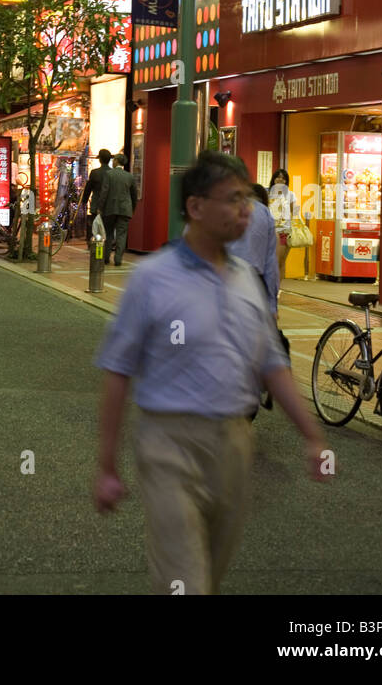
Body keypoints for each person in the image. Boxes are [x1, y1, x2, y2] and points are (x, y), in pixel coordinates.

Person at [93, 151, 325, 596]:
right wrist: (106, 465)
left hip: (235, 446)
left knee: (209, 577)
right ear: (196, 207)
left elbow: (272, 365)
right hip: (169, 446)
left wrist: (313, 437)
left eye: (247, 198)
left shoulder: (245, 280)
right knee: (186, 582)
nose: (246, 209)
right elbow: (117, 370)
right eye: (233, 198)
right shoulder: (153, 278)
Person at [228, 180, 280, 317]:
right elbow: (271, 265)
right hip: (256, 285)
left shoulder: (211, 210)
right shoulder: (264, 212)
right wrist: (272, 305)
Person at [95, 153, 138, 266]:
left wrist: (100, 207)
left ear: (116, 162)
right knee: (121, 234)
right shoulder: (130, 176)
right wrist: (133, 208)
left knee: (108, 233)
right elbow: (134, 195)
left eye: (114, 160)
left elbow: (104, 192)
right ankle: (118, 259)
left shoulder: (109, 174)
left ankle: (106, 257)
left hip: (110, 208)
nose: (112, 162)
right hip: (125, 210)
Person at [268, 167, 299, 284]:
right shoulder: (268, 193)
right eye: (278, 177)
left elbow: (295, 211)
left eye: (283, 178)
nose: (280, 180)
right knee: (272, 261)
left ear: (286, 181)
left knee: (280, 261)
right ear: (274, 179)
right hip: (270, 231)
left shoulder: (290, 195)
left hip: (284, 231)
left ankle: (277, 288)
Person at [80, 149, 113, 244]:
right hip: (109, 205)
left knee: (95, 225)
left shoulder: (95, 173)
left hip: (96, 204)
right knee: (106, 228)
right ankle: (105, 247)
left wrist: (84, 201)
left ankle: (93, 245)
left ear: (100, 160)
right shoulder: (112, 173)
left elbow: (88, 189)